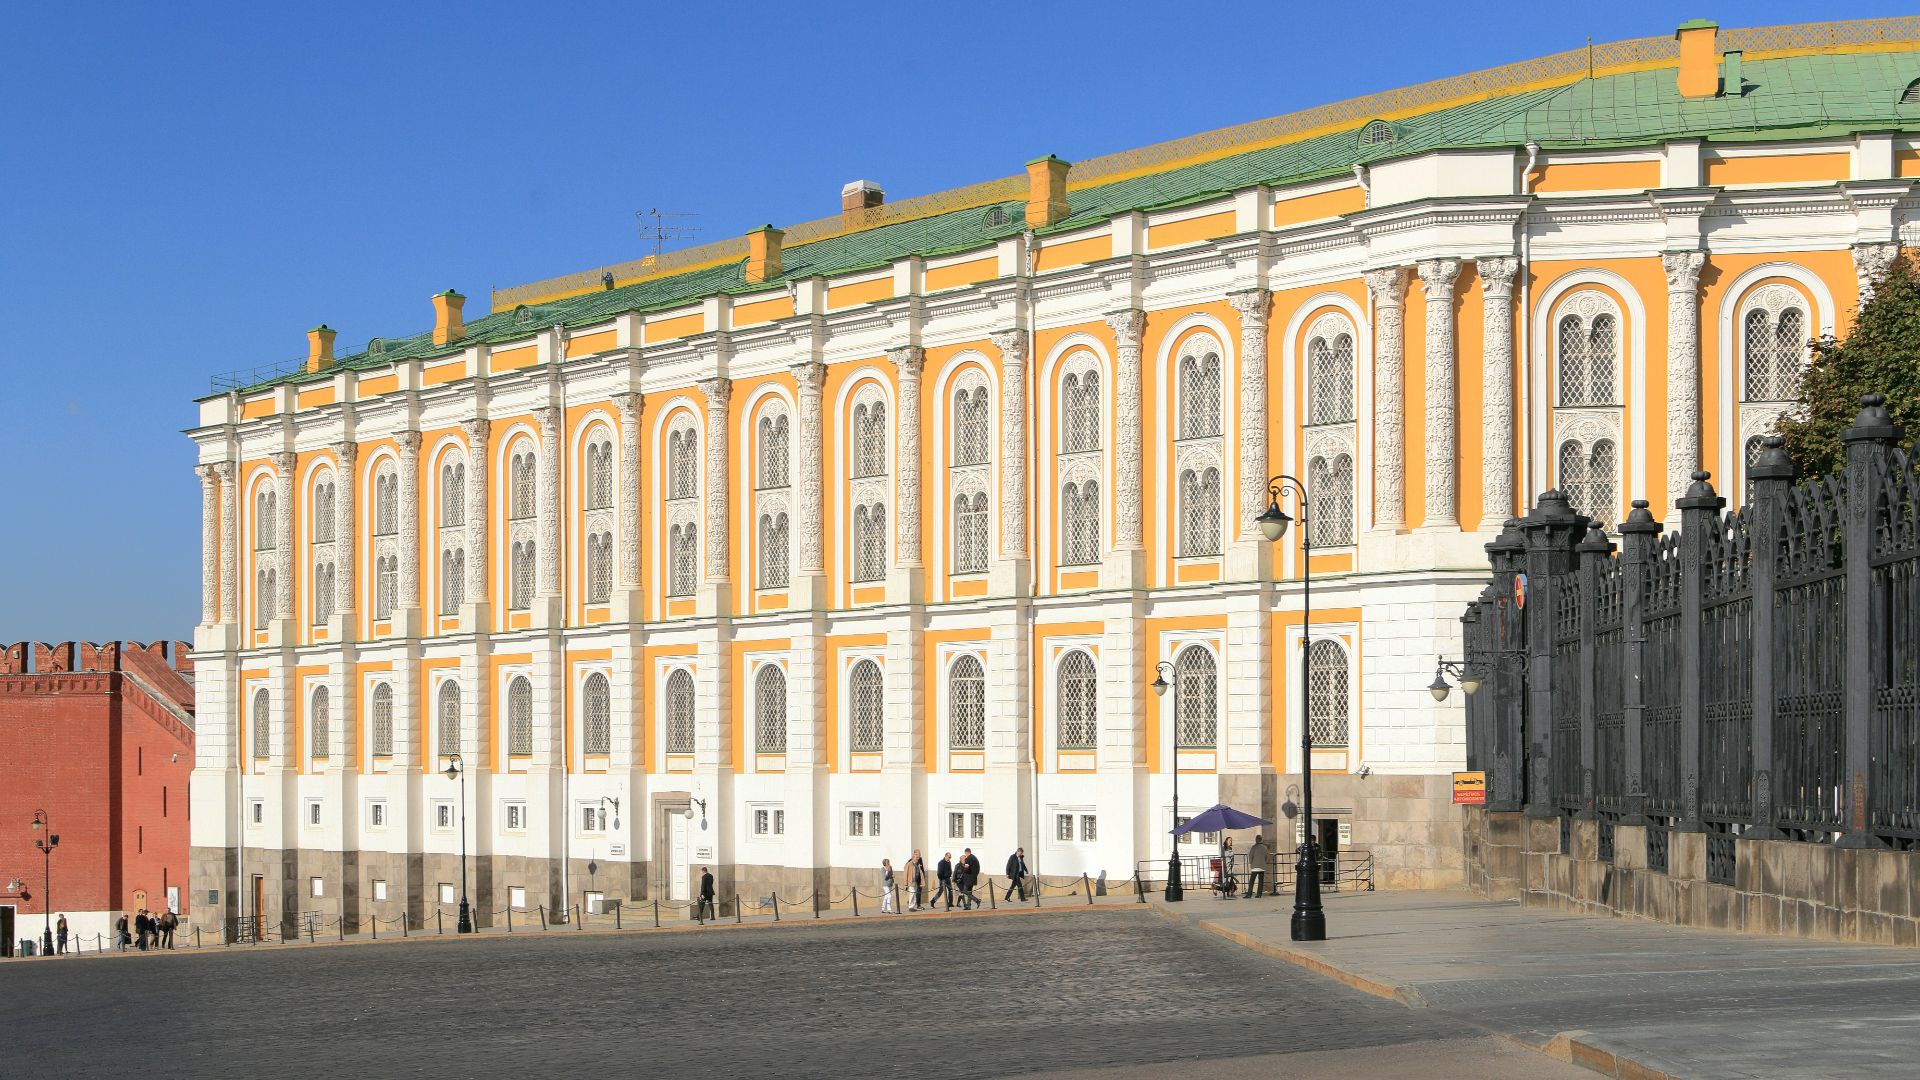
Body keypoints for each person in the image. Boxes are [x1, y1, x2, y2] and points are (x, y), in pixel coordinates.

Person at [1245, 834, 1270, 899]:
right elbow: (1267, 857)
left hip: (1255, 866)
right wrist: (1265, 862)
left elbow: (1250, 856)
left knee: (1252, 881)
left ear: (1256, 840)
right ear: (1261, 840)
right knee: (1261, 881)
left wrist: (1251, 863)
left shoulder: (1254, 847)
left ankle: (1249, 894)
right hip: (1262, 866)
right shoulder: (1265, 847)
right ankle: (1259, 894)